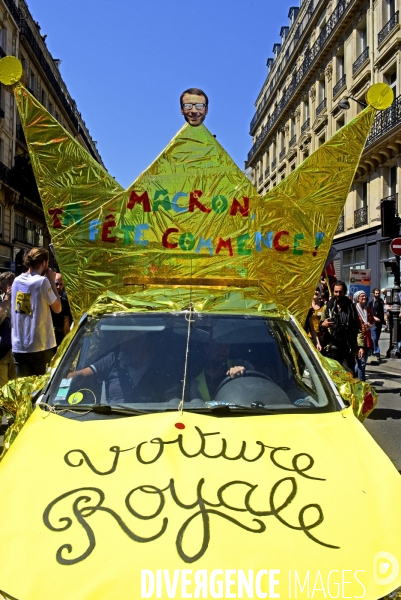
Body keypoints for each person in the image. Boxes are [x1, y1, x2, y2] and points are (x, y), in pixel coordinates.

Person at [67, 330, 180, 404]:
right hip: (110, 421)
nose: (120, 337)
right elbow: (81, 375)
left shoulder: (161, 364)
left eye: (126, 333)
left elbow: (173, 401)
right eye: (120, 333)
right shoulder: (113, 359)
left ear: (142, 338)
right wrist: (61, 379)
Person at [11, 247, 61, 377]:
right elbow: (58, 308)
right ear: (44, 263)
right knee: (40, 390)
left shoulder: (16, 281)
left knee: (24, 391)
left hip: (19, 345)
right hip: (40, 345)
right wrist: (51, 280)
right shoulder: (42, 282)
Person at [320, 281, 363, 372]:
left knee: (349, 375)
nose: (338, 294)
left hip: (347, 348)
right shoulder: (327, 307)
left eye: (340, 292)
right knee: (333, 377)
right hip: (332, 348)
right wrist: (323, 325)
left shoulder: (350, 307)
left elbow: (357, 327)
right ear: (333, 292)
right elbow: (320, 327)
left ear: (344, 292)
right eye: (336, 292)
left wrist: (360, 346)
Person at [353, 290, 375, 381]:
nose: (364, 297)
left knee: (362, 363)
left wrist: (370, 325)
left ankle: (353, 379)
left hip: (367, 339)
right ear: (357, 298)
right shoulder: (354, 309)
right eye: (362, 296)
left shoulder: (368, 310)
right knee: (361, 363)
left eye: (365, 296)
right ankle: (361, 382)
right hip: (358, 339)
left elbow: (373, 322)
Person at [0, 272, 16, 387]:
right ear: (2, 285)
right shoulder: (1, 300)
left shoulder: (20, 299)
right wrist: (7, 299)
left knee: (14, 384)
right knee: (3, 385)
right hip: (2, 351)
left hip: (16, 349)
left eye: (13, 282)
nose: (11, 286)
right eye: (9, 283)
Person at [51, 273, 72, 346]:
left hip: (59, 337)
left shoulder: (65, 302)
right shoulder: (45, 300)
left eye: (61, 284)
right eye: (56, 284)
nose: (58, 286)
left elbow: (66, 323)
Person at [367, 287, 385, 360]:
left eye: (378, 293)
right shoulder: (371, 302)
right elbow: (368, 311)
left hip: (379, 322)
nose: (377, 294)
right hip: (373, 321)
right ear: (374, 293)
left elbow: (382, 311)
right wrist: (374, 317)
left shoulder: (381, 301)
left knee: (376, 338)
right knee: (374, 338)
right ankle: (377, 352)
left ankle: (371, 350)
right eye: (376, 293)